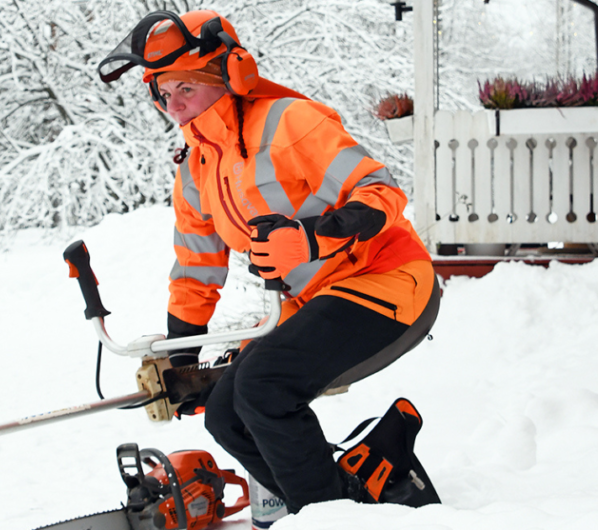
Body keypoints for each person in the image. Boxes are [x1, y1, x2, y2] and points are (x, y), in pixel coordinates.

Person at [98, 10, 440, 516]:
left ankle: (330, 520)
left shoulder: (290, 123)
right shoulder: (195, 171)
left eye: (184, 88)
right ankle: (349, 494)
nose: (173, 107)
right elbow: (196, 271)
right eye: (161, 93)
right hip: (319, 302)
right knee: (224, 416)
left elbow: (382, 191)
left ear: (228, 74)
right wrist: (183, 361)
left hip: (387, 277)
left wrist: (313, 238)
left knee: (263, 386)